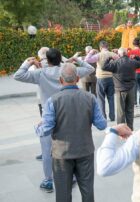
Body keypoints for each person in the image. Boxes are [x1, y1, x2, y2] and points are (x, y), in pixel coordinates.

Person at [14, 48, 94, 193]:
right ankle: (71, 177)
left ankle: (48, 180)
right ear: (60, 59)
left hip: (48, 114)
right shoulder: (69, 71)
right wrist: (77, 60)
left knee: (47, 151)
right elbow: (90, 68)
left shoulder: (40, 73)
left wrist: (28, 62)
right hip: (68, 113)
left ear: (47, 60)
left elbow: (18, 75)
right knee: (69, 145)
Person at [36, 63, 107, 202]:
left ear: (60, 80)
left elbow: (45, 130)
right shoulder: (90, 98)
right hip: (85, 151)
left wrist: (37, 127)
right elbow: (102, 124)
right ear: (78, 78)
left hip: (62, 154)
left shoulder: (52, 101)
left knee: (63, 194)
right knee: (88, 193)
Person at [102, 48, 140, 130]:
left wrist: (109, 58)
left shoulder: (115, 63)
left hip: (120, 89)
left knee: (120, 111)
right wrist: (136, 57)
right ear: (126, 53)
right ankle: (130, 128)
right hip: (131, 88)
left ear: (119, 54)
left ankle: (121, 129)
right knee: (130, 110)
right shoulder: (132, 62)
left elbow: (104, 67)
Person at [85, 41, 118, 122]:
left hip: (100, 78)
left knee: (101, 98)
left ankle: (103, 116)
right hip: (110, 77)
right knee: (111, 98)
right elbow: (120, 58)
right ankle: (112, 116)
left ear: (100, 47)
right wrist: (117, 51)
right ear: (108, 47)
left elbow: (87, 60)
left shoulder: (98, 55)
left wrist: (91, 52)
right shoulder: (112, 54)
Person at [128, 38, 140, 107]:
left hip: (134, 71)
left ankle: (134, 102)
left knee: (134, 88)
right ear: (139, 44)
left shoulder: (130, 52)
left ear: (133, 44)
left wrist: (128, 50)